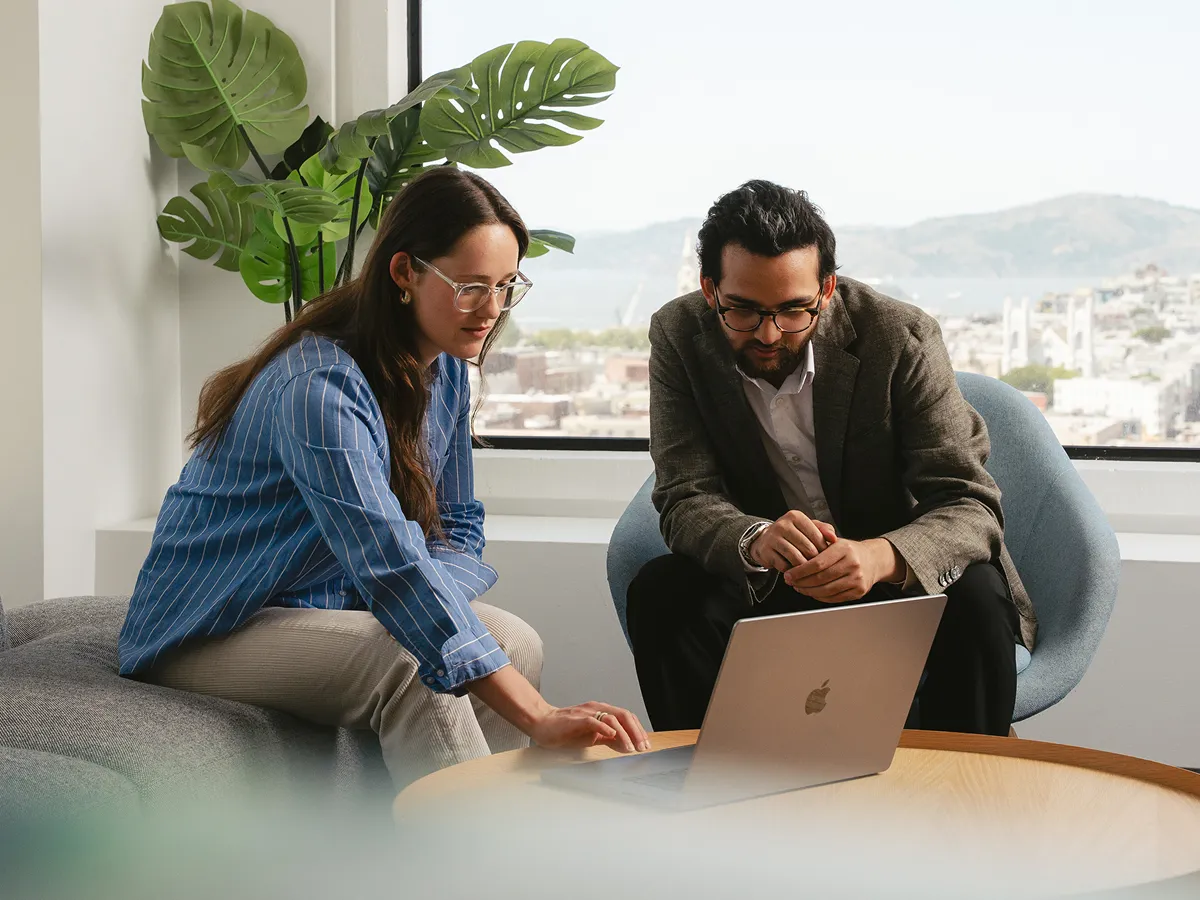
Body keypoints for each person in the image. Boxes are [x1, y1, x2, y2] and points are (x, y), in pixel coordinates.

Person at [119, 167, 649, 787]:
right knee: (409, 661)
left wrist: (436, 600)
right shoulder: (318, 388)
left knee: (515, 640)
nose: (492, 310)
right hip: (209, 625)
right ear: (404, 273)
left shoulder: (444, 366)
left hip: (319, 603)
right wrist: (537, 714)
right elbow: (389, 561)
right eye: (471, 286)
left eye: (507, 286)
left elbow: (455, 524)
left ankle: (518, 831)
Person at [629, 179, 1037, 737]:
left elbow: (970, 503)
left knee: (977, 597)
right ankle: (719, 790)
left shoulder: (899, 336)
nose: (769, 334)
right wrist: (754, 539)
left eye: (794, 310)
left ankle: (959, 799)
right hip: (771, 583)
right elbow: (683, 496)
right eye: (743, 312)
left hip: (895, 583)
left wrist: (880, 557)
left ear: (826, 290)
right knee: (660, 593)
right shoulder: (678, 335)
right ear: (709, 290)